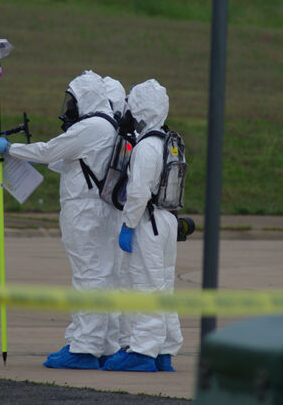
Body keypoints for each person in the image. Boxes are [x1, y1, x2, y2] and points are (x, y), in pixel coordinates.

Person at [0, 70, 121, 369]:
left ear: (85, 98)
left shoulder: (90, 127)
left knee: (87, 277)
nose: (69, 108)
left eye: (72, 101)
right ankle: (101, 343)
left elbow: (50, 151)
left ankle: (84, 348)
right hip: (101, 211)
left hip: (85, 213)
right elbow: (70, 162)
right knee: (101, 277)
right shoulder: (109, 126)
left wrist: (11, 149)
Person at [102, 79, 183, 373]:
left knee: (143, 285)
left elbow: (137, 193)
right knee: (162, 287)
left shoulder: (146, 147)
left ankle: (142, 352)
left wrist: (128, 225)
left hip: (147, 223)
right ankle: (164, 350)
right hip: (166, 221)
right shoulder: (168, 141)